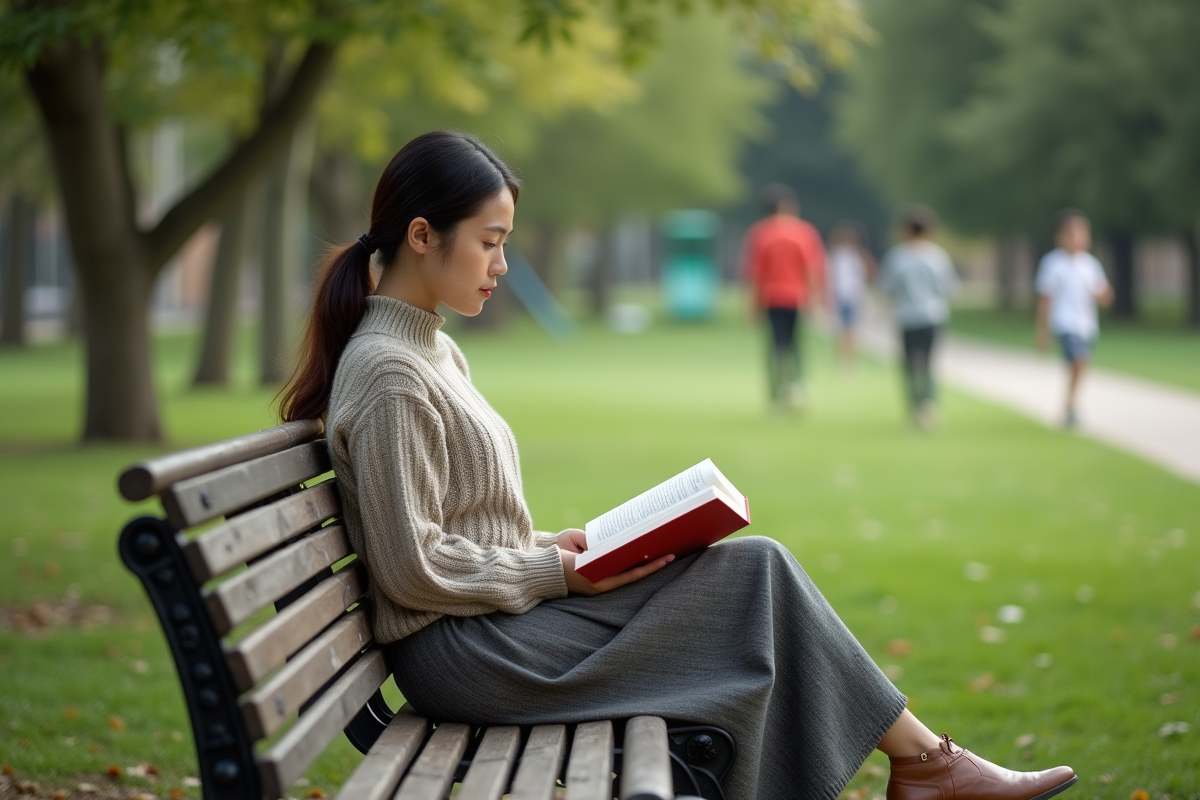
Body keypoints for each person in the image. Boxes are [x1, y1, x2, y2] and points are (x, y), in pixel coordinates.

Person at [278, 131, 1077, 800]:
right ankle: (931, 768)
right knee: (751, 583)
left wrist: (560, 552)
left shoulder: (431, 351)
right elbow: (411, 567)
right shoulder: (390, 373)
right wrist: (556, 572)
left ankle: (925, 764)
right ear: (422, 235)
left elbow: (454, 531)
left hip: (500, 622)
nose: (502, 264)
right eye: (489, 243)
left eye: (505, 244)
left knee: (752, 571)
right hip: (471, 656)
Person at [741, 185, 826, 410]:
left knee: (775, 347)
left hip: (771, 297)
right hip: (797, 297)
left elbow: (755, 274)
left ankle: (776, 394)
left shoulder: (760, 233)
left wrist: (752, 307)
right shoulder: (805, 232)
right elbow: (812, 269)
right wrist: (816, 299)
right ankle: (797, 388)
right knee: (797, 345)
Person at [877, 207, 957, 429]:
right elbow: (949, 288)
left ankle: (915, 408)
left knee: (910, 364)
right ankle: (930, 406)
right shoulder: (937, 256)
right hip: (933, 315)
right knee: (929, 363)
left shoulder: (897, 257)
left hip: (907, 317)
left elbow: (887, 288)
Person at [1034, 209, 1113, 428]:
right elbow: (1045, 299)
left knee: (1081, 365)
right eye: (1071, 233)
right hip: (1065, 322)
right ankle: (1071, 406)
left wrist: (1103, 296)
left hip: (1086, 324)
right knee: (1079, 361)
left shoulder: (1090, 264)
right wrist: (1042, 331)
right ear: (1059, 236)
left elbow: (1102, 292)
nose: (1077, 238)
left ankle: (1070, 404)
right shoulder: (1052, 264)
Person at [827, 222, 877, 368]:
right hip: (842, 297)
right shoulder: (836, 257)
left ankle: (850, 361)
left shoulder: (855, 256)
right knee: (845, 331)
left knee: (849, 330)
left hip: (852, 296)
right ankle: (844, 361)